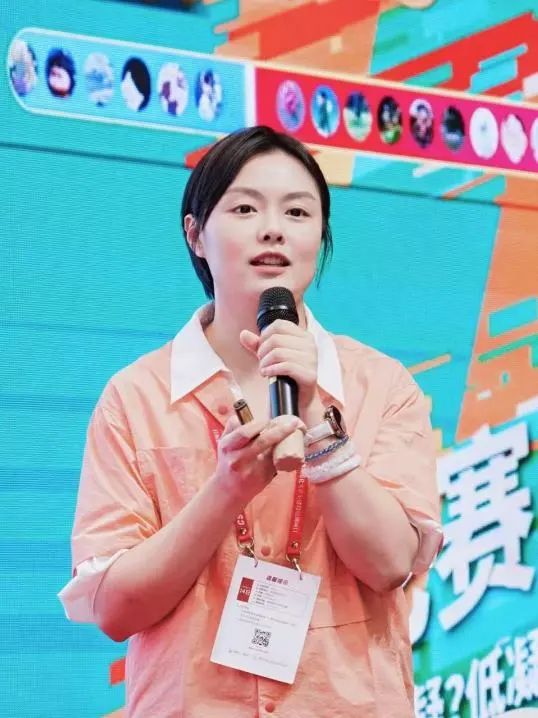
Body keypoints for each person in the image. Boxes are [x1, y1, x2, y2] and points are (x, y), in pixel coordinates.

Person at [59, 125, 442, 717]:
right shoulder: (135, 398)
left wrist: (316, 417)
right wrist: (225, 491)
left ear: (320, 235)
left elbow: (391, 564)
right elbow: (115, 609)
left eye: (298, 211)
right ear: (196, 235)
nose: (273, 229)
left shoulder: (381, 385)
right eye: (244, 208)